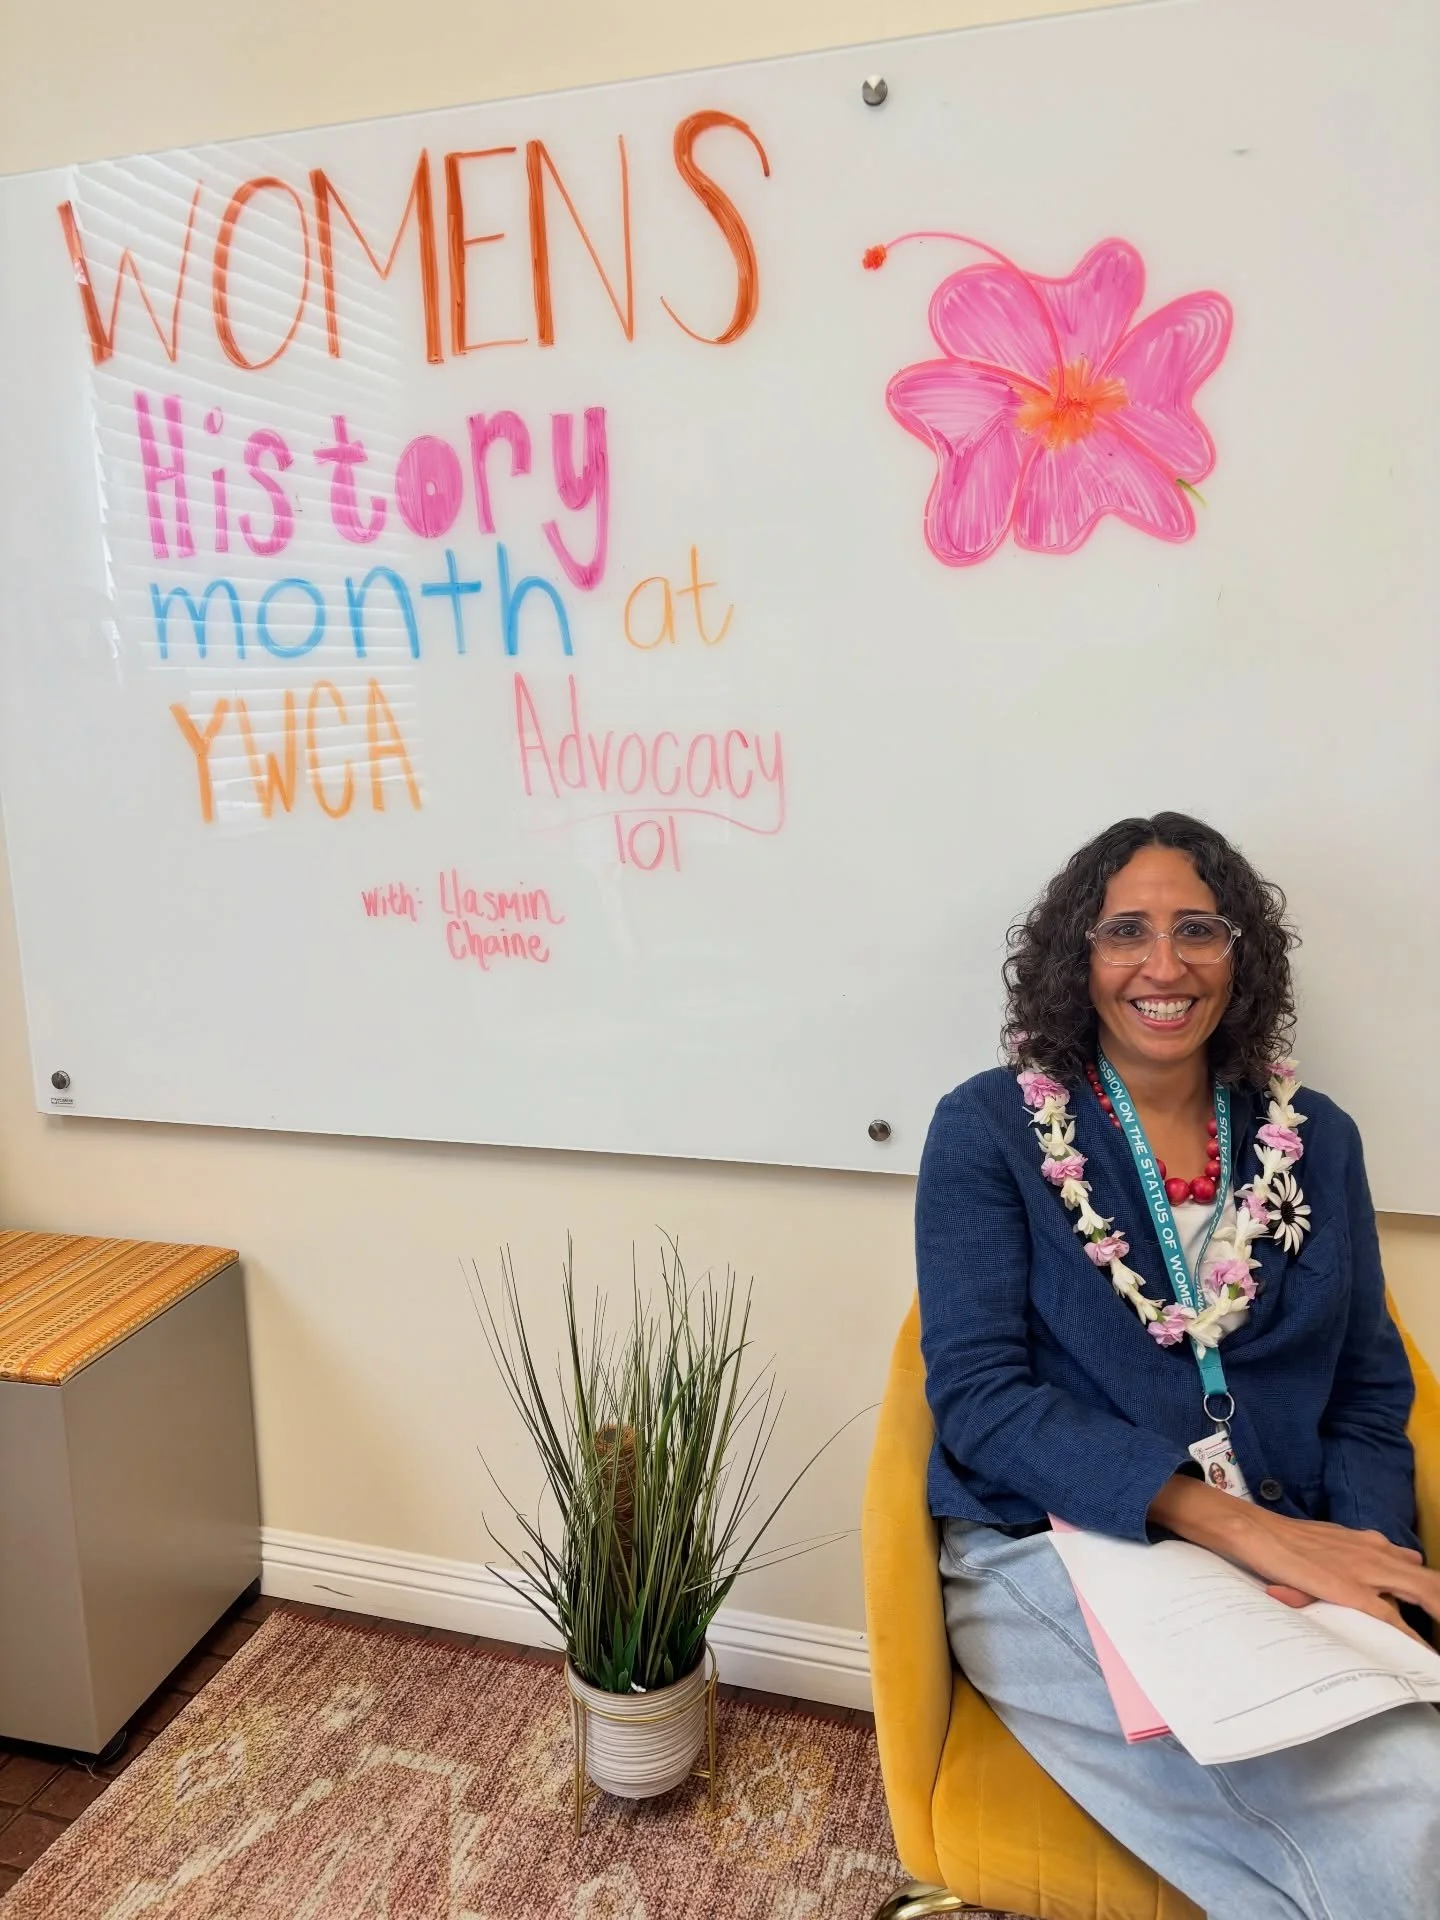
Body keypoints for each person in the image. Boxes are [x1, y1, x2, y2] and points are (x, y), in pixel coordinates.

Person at [916, 813, 1440, 1920]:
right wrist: (1244, 1529)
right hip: (1062, 1542)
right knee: (1404, 1798)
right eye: (1126, 932)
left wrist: (1365, 1565)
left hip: (1293, 1540)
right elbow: (980, 1402)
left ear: (1240, 954)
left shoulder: (1318, 1137)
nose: (1165, 965)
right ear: (1078, 959)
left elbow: (1366, 1391)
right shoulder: (989, 1129)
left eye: (1197, 927)